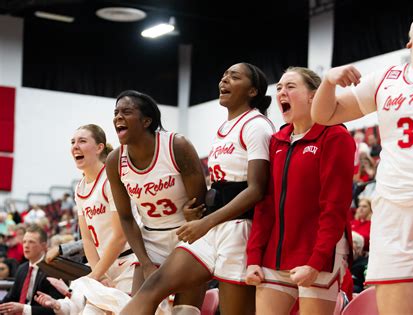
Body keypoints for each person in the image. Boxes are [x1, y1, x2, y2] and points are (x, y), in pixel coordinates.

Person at [311, 11, 413, 315]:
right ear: (409, 41)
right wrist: (330, 80)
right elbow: (325, 115)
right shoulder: (385, 79)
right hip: (393, 213)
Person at [119, 62, 275, 315]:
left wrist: (205, 222)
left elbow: (257, 189)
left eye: (234, 77)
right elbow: (222, 185)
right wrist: (200, 212)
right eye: (223, 75)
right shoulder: (224, 129)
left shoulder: (257, 125)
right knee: (151, 289)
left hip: (241, 230)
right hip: (214, 227)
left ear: (253, 91)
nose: (224, 80)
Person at [244, 67, 354, 315]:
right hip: (274, 257)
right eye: (280, 87)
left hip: (317, 255)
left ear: (314, 96)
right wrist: (254, 258)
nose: (282, 92)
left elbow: (335, 207)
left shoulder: (335, 136)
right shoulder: (277, 140)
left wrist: (316, 262)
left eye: (291, 87)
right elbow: (266, 205)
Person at [106, 90, 209, 314]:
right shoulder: (115, 161)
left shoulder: (176, 146)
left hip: (188, 236)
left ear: (146, 121)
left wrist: (193, 216)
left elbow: (200, 204)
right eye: (115, 113)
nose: (118, 117)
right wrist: (145, 262)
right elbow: (126, 217)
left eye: (126, 112)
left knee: (185, 312)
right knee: (138, 307)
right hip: (151, 239)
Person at [70, 124, 135, 301]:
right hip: (104, 266)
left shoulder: (111, 180)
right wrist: (100, 274)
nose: (75, 146)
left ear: (99, 147)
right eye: (73, 142)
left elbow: (120, 236)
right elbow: (87, 238)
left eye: (82, 141)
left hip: (129, 263)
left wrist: (95, 274)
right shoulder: (80, 188)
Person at [0, 225, 64, 315]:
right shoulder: (22, 268)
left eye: (31, 242)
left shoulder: (53, 270)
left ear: (44, 246)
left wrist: (24, 309)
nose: (26, 246)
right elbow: (10, 298)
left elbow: (56, 310)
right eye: (24, 242)